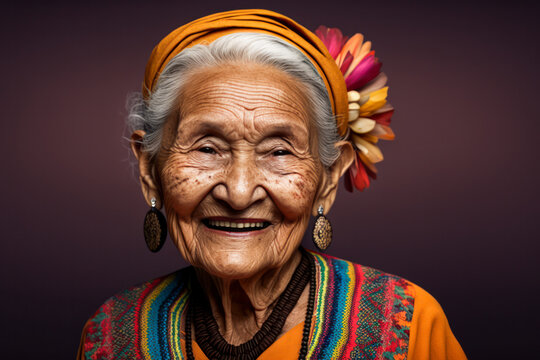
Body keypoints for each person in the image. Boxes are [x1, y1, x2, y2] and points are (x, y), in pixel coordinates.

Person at [77, 9, 466, 360]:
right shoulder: (111, 336)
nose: (240, 191)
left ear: (329, 178)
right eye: (208, 148)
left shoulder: (407, 324)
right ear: (150, 169)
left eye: (279, 152)